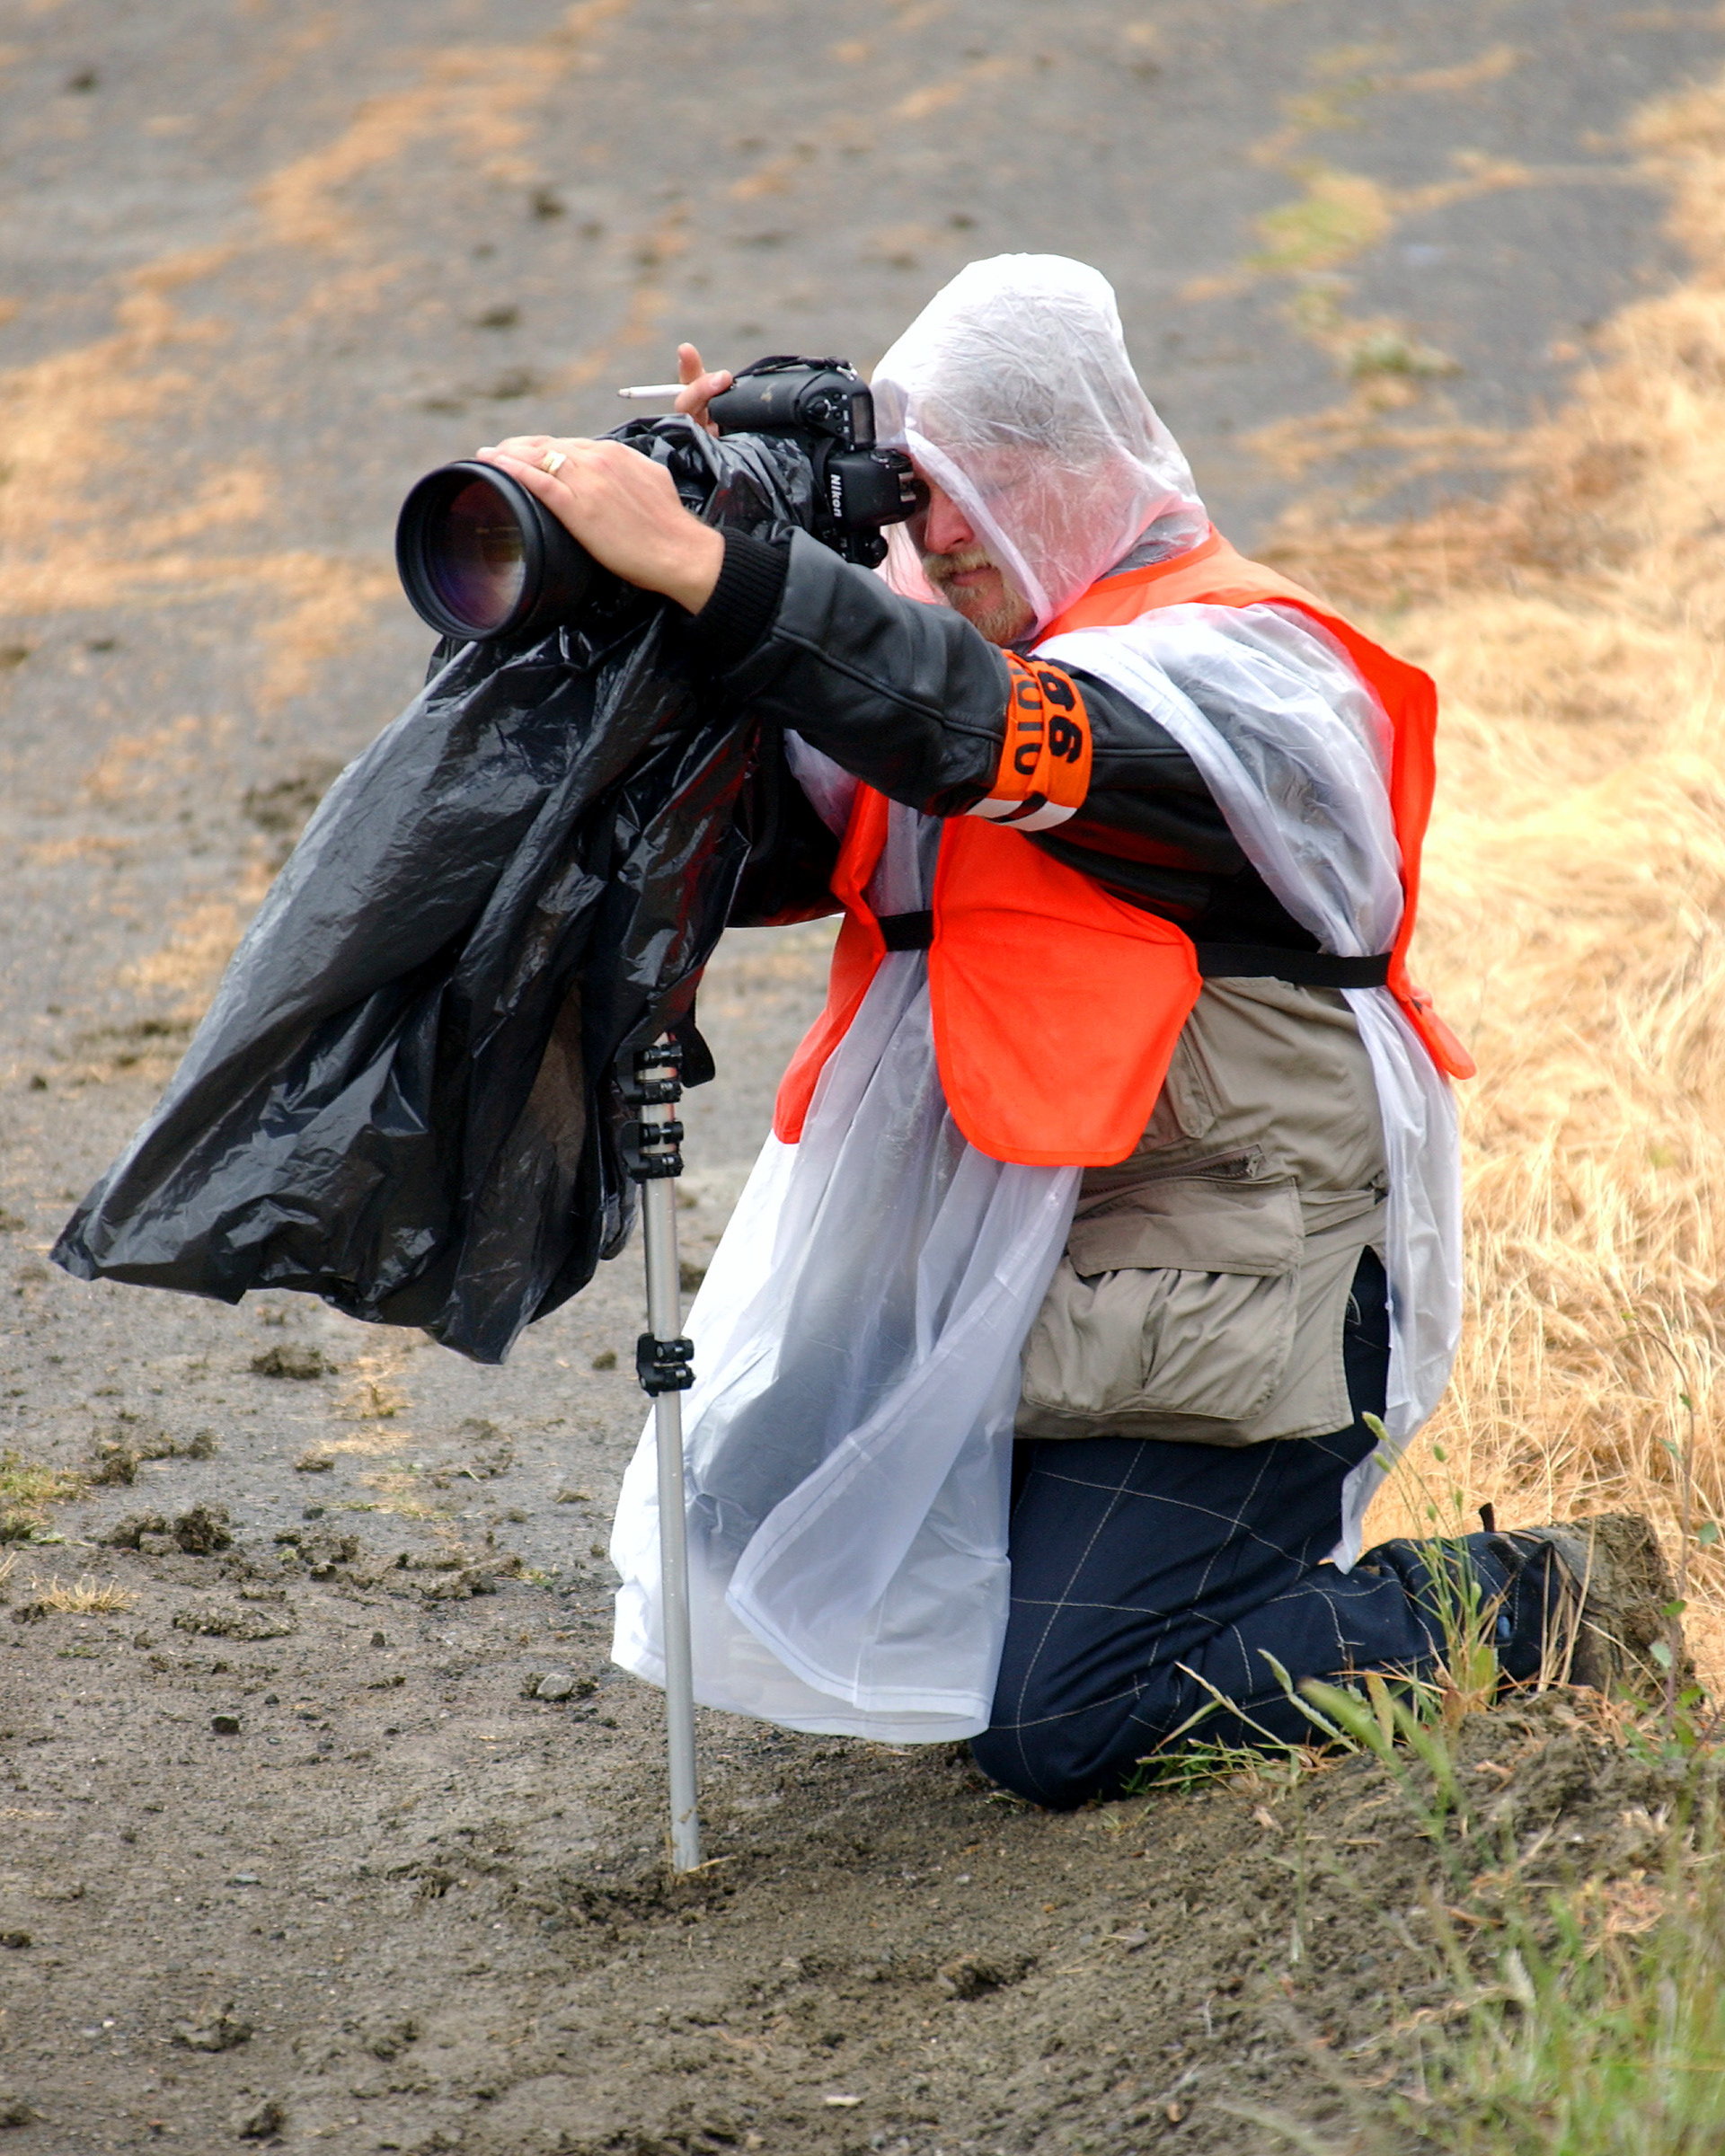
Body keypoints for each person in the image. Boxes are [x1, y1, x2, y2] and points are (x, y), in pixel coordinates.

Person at [477, 256, 1668, 1807]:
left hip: (1233, 1273)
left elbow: (994, 737)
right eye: (917, 496)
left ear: (1096, 463)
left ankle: (1553, 1603)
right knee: (744, 1509)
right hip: (1007, 1260)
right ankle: (1089, 1573)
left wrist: (737, 581)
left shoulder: (1250, 671)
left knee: (1068, 1723)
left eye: (978, 484)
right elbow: (754, 824)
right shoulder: (969, 654)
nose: (940, 530)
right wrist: (690, 579)